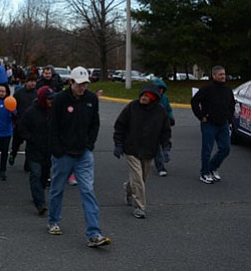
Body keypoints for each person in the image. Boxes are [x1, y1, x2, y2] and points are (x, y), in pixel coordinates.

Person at [47, 66, 110, 248]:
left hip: (83, 154)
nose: (83, 88)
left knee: (88, 191)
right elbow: (53, 127)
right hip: (63, 154)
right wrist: (57, 150)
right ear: (71, 82)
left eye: (85, 84)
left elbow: (95, 124)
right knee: (57, 189)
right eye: (79, 84)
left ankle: (94, 233)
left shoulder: (91, 99)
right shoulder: (60, 99)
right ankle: (53, 220)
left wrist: (89, 145)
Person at [113, 84, 172, 219]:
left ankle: (128, 189)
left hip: (149, 150)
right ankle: (140, 207)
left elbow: (165, 132)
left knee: (141, 179)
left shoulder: (160, 111)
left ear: (153, 98)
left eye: (147, 96)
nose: (144, 97)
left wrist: (166, 148)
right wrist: (118, 144)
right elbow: (120, 125)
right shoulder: (132, 107)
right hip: (131, 149)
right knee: (138, 178)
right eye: (142, 95)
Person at [191, 65, 235, 184]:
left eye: (224, 74)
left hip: (223, 124)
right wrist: (201, 116)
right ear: (214, 75)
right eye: (220, 74)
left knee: (225, 148)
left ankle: (213, 167)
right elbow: (194, 101)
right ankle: (204, 173)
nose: (223, 76)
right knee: (207, 150)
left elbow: (232, 104)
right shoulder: (207, 88)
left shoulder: (227, 90)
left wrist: (229, 118)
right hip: (209, 124)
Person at [19, 86, 54, 216]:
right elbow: (21, 128)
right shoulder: (31, 112)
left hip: (48, 150)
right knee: (35, 174)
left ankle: (38, 193)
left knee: (44, 175)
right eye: (49, 99)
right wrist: (31, 138)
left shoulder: (53, 111)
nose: (51, 101)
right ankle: (40, 204)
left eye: (52, 99)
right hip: (34, 149)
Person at [10, 73, 38, 169]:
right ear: (26, 82)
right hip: (20, 122)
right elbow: (12, 106)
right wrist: (14, 120)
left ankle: (27, 164)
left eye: (34, 82)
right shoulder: (19, 93)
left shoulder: (37, 94)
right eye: (30, 81)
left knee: (30, 145)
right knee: (16, 143)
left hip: (33, 124)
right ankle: (13, 154)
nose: (32, 84)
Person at [0, 84, 15, 181]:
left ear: (7, 92)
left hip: (7, 132)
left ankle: (2, 170)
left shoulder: (10, 101)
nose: (1, 93)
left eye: (3, 91)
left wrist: (13, 112)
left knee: (5, 152)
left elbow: (14, 113)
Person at [153, 78, 175, 176]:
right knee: (156, 146)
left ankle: (166, 151)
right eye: (158, 88)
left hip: (164, 124)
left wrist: (171, 118)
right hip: (153, 126)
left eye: (162, 89)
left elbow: (169, 109)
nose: (160, 91)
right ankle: (160, 167)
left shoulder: (165, 98)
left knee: (166, 141)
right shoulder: (150, 98)